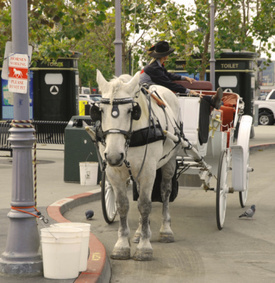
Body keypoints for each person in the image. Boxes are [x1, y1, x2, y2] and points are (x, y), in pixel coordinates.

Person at [140, 40, 223, 144]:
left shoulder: (156, 65)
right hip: (148, 92)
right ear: (165, 56)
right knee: (186, 95)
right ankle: (211, 100)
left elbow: (168, 76)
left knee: (187, 95)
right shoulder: (154, 68)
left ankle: (211, 100)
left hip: (152, 90)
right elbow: (168, 83)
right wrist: (189, 91)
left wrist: (184, 78)